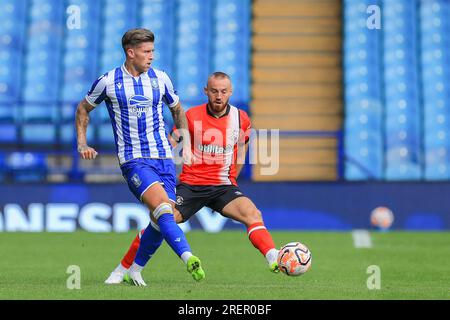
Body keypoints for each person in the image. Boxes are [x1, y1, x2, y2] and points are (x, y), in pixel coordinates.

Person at [105, 72, 280, 285]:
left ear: (230, 92)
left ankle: (274, 257)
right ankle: (126, 269)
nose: (218, 96)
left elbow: (242, 150)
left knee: (252, 213)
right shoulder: (191, 116)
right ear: (206, 91)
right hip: (191, 185)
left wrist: (232, 178)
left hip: (223, 186)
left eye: (223, 91)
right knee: (161, 220)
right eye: (214, 91)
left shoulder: (241, 119)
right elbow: (169, 143)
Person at [75, 28, 205, 286]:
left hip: (165, 159)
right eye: (147, 52)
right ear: (130, 53)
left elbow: (178, 109)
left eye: (153, 51)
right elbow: (83, 108)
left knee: (159, 219)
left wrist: (185, 141)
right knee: (163, 209)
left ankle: (130, 270)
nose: (151, 56)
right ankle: (188, 257)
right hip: (134, 160)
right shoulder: (109, 81)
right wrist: (82, 143)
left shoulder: (161, 79)